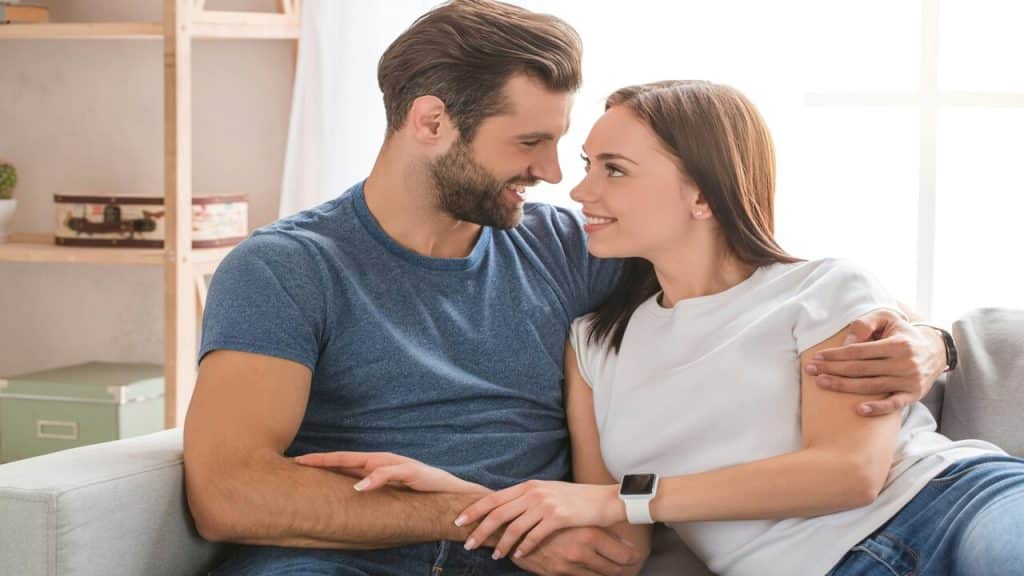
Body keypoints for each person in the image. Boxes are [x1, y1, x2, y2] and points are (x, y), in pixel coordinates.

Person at [184, 2, 952, 574]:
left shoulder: (563, 245)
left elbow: (760, 280)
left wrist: (928, 342)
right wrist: (491, 518)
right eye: (530, 142)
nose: (555, 174)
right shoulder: (289, 268)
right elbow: (229, 493)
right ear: (430, 123)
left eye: (561, 143)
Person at [321, 80, 1024, 576]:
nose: (579, 190)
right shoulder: (596, 344)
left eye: (614, 170)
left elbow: (850, 473)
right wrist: (456, 494)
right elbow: (618, 550)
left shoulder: (825, 287)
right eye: (590, 166)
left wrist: (624, 498)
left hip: (952, 509)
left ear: (703, 193)